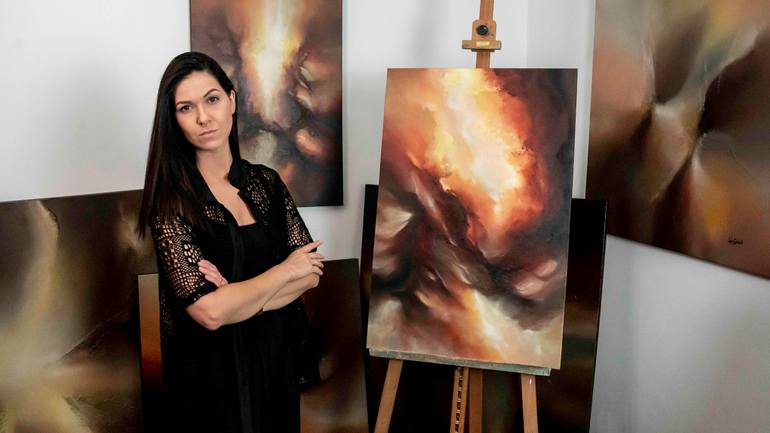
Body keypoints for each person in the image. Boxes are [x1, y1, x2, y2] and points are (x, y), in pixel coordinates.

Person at [137, 51, 323, 433]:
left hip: (273, 364)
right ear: (173, 120)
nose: (204, 117)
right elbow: (209, 313)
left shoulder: (267, 183)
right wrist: (282, 272)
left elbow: (311, 273)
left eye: (212, 99)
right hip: (210, 380)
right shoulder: (170, 204)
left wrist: (236, 297)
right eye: (186, 108)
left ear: (232, 100)